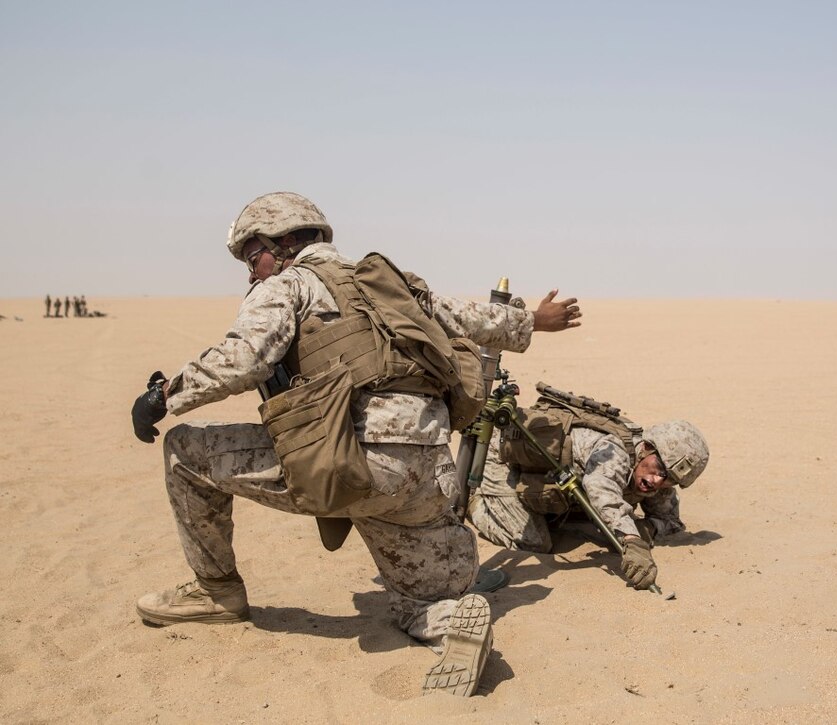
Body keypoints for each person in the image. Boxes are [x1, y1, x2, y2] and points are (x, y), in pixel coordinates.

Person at [129, 191, 581, 697]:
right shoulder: (391, 284)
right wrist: (536, 320)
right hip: (428, 474)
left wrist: (164, 395)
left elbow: (245, 358)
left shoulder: (289, 284)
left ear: (283, 244)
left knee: (184, 452)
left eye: (251, 256)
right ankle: (450, 622)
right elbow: (473, 318)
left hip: (351, 463)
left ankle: (216, 593)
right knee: (421, 600)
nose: (250, 272)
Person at [467, 386, 709, 591]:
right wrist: (632, 538)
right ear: (646, 447)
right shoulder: (613, 450)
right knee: (534, 542)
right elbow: (601, 489)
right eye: (659, 468)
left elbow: (672, 523)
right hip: (501, 457)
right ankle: (476, 504)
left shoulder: (656, 475)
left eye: (669, 478)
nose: (657, 481)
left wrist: (646, 528)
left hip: (545, 475)